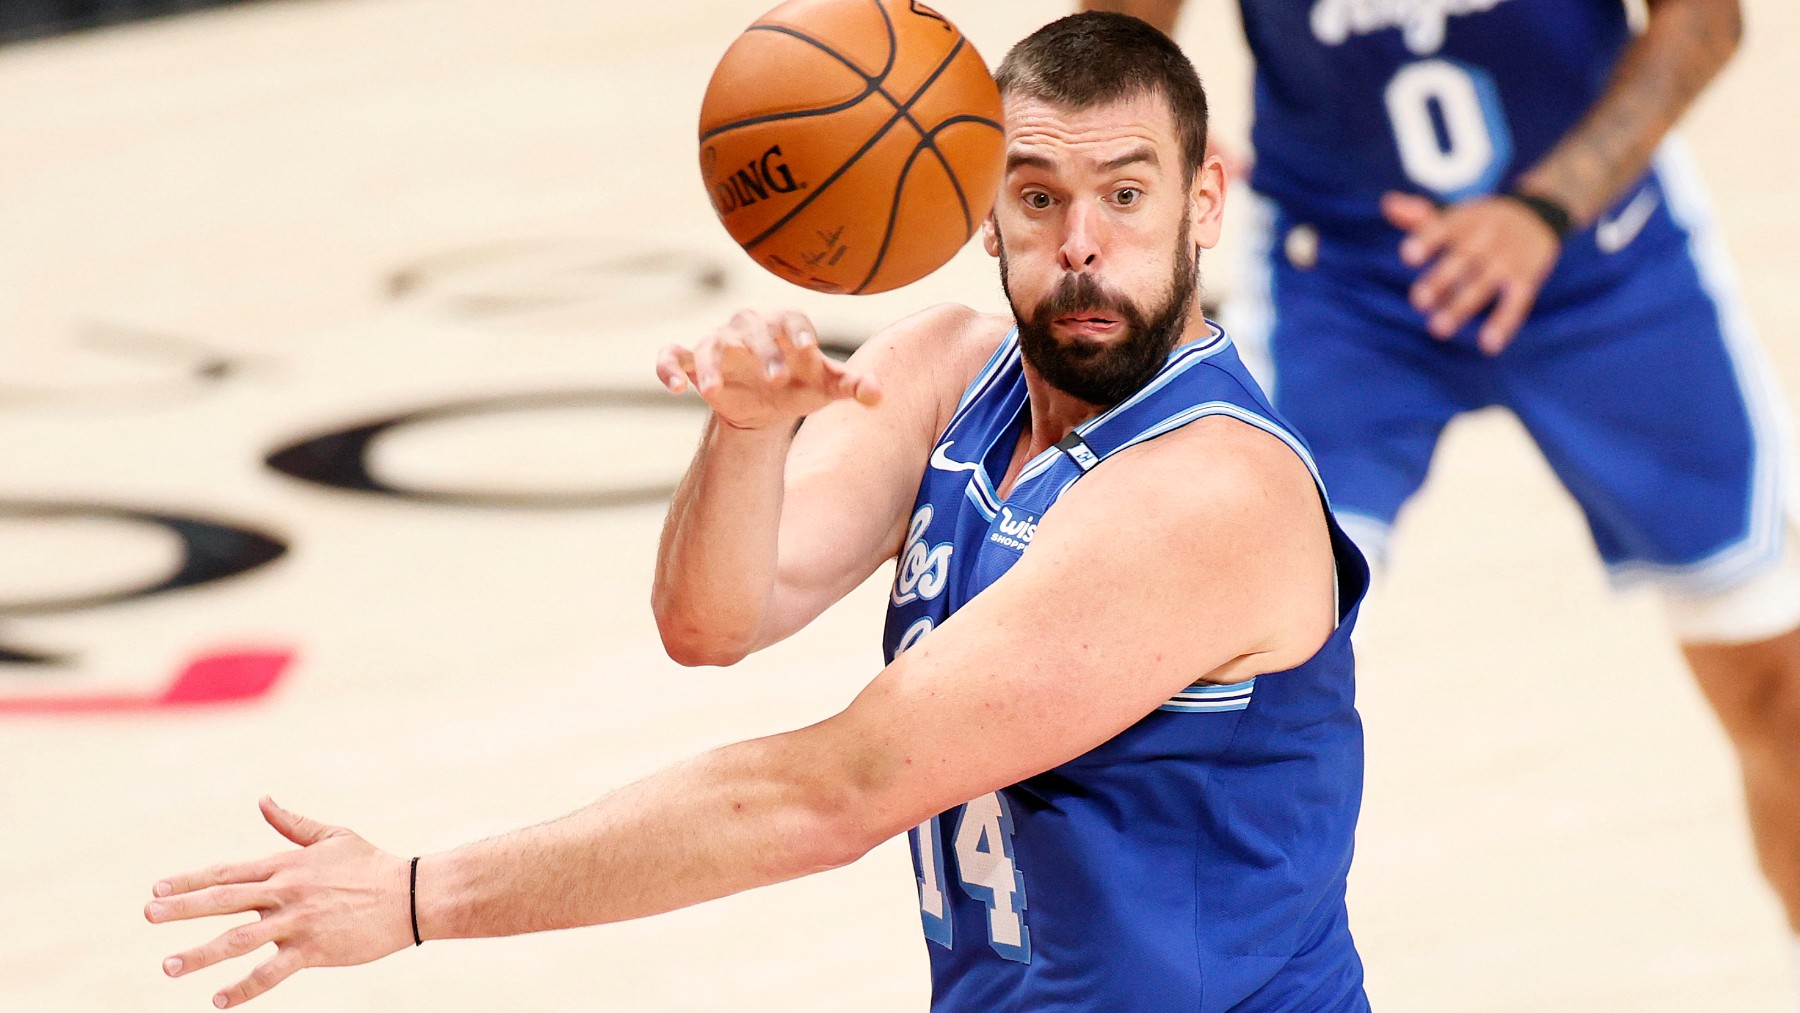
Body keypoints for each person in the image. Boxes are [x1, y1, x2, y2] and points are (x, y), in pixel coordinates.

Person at [145, 14, 1372, 1012]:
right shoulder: (947, 369)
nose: (1084, 246)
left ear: (1206, 202)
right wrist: (744, 430)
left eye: (1127, 195)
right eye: (1040, 198)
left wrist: (419, 896)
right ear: (982, 207)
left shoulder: (1204, 489)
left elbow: (829, 792)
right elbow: (714, 618)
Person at [1087, 0, 1800, 989]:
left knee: (1782, 681)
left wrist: (1546, 208)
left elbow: (1706, 23)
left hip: (1604, 252)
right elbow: (1123, 31)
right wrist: (1158, 148)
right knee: (1231, 707)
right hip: (1337, 280)